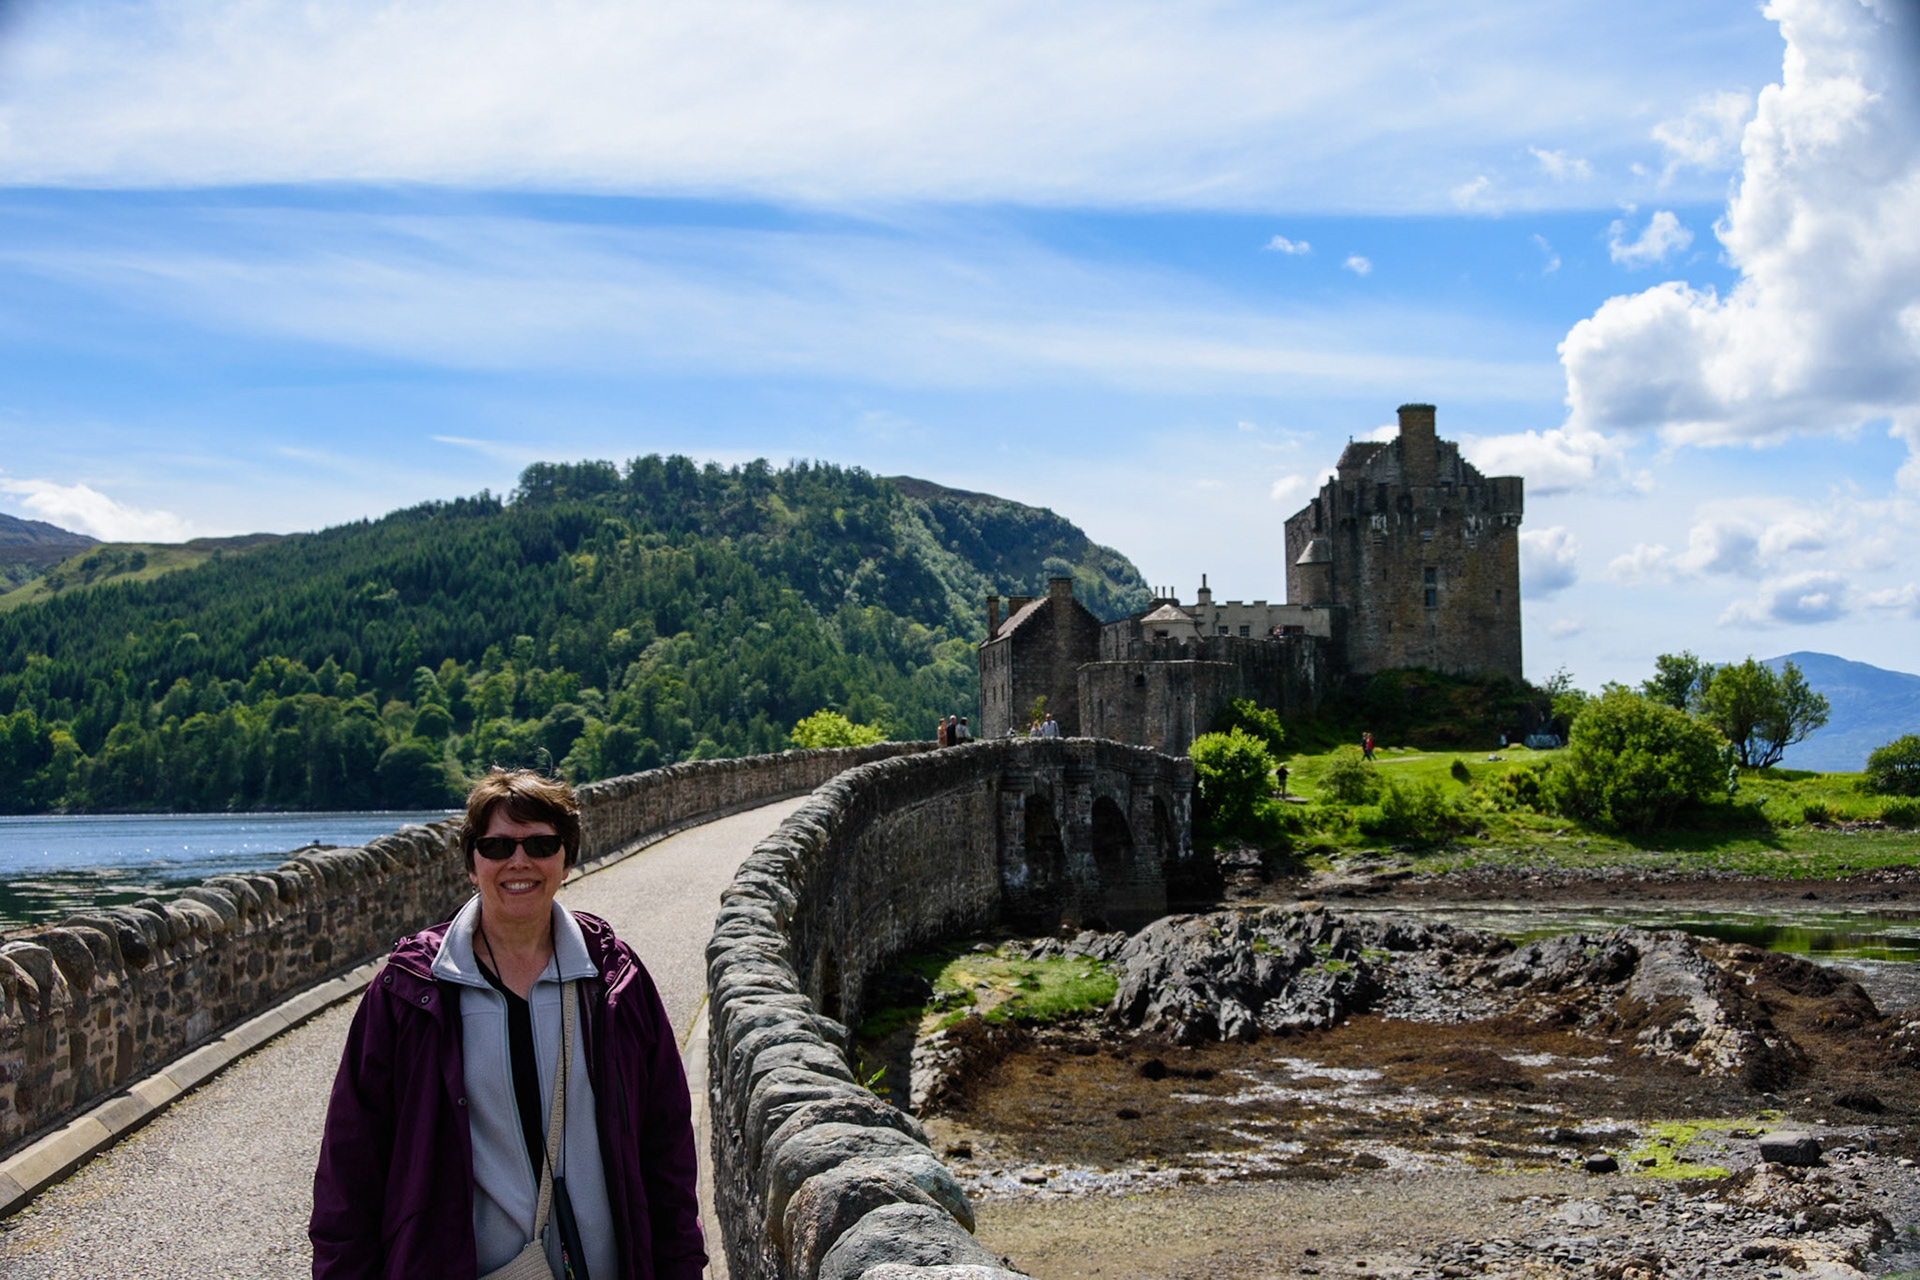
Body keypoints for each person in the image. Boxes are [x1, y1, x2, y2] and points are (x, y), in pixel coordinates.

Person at [311, 768, 705, 1280]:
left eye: (540, 844)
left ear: (566, 859)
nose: (519, 862)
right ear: (472, 864)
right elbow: (351, 1166)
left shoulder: (613, 981)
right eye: (497, 846)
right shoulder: (409, 993)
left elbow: (666, 1145)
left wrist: (681, 1266)